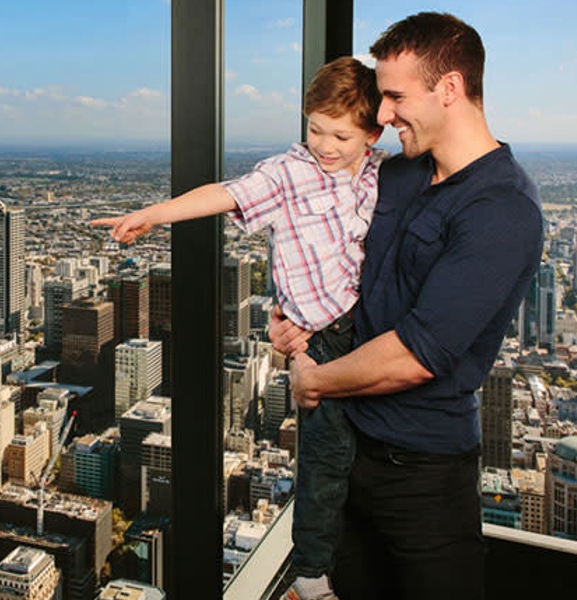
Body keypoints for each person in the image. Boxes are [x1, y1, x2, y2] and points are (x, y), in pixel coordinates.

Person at [269, 12, 544, 600]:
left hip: (423, 477)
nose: (383, 113)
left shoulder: (502, 208)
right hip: (348, 460)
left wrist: (313, 382)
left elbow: (418, 355)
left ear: (449, 88)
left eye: (394, 96)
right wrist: (288, 314)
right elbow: (320, 242)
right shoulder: (396, 175)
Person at [93, 57, 384, 600]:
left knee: (368, 454)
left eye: (340, 134)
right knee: (325, 459)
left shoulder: (377, 173)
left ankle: (360, 558)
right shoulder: (289, 173)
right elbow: (225, 193)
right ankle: (312, 576)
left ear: (373, 133)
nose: (324, 143)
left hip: (367, 330)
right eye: (315, 128)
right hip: (319, 340)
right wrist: (154, 214)